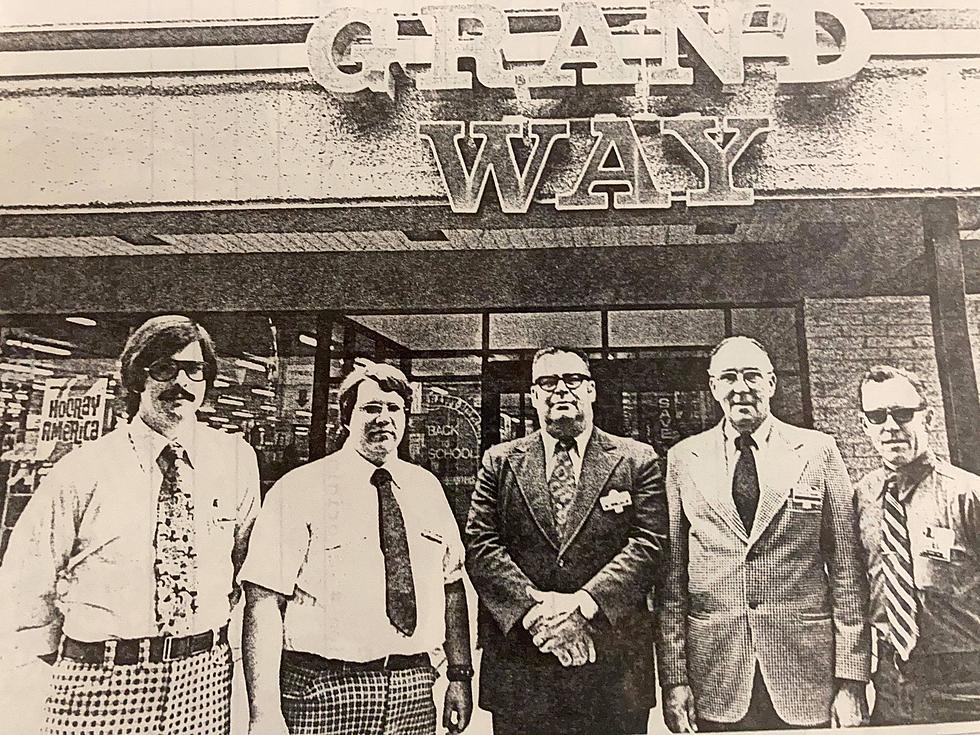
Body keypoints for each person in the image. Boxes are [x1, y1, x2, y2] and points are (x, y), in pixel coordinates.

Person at [0, 314, 260, 735]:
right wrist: (55, 661)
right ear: (137, 378)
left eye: (194, 369)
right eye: (164, 368)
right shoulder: (84, 468)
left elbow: (245, 563)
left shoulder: (234, 459)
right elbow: (26, 580)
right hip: (101, 680)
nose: (182, 382)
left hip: (204, 681)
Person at [241, 360, 473, 735]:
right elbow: (264, 603)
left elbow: (452, 587)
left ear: (406, 417)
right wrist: (263, 713)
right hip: (324, 688)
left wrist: (460, 675)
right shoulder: (301, 488)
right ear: (346, 417)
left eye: (394, 408)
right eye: (371, 408)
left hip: (413, 688)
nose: (384, 418)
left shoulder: (427, 489)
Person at [657, 335, 870, 732]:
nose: (741, 387)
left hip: (806, 674)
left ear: (771, 383)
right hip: (715, 673)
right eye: (729, 377)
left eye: (752, 375)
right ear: (713, 385)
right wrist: (674, 679)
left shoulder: (816, 451)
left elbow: (847, 571)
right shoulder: (683, 459)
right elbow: (672, 580)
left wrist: (852, 677)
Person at [465, 346, 667, 735]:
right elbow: (481, 544)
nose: (561, 390)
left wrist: (583, 605)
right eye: (548, 382)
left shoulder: (637, 459)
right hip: (523, 664)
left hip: (612, 663)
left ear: (591, 390)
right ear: (534, 396)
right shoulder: (499, 460)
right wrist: (536, 612)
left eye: (572, 380)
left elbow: (649, 544)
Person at [856, 364, 980, 725]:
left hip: (965, 681)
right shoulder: (862, 497)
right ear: (865, 426)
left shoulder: (967, 494)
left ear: (927, 418)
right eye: (877, 416)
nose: (891, 426)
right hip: (891, 685)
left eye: (903, 414)